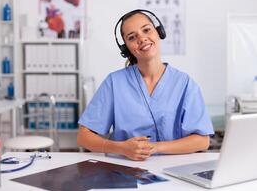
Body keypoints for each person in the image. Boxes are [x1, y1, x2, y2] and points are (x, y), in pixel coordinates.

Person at [77, 9, 214, 161]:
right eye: (132, 37)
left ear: (159, 32)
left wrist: (155, 147)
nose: (142, 39)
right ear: (126, 48)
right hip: (124, 169)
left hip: (172, 169)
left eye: (146, 30)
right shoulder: (114, 82)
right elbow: (84, 137)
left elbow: (203, 141)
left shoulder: (185, 83)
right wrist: (121, 148)